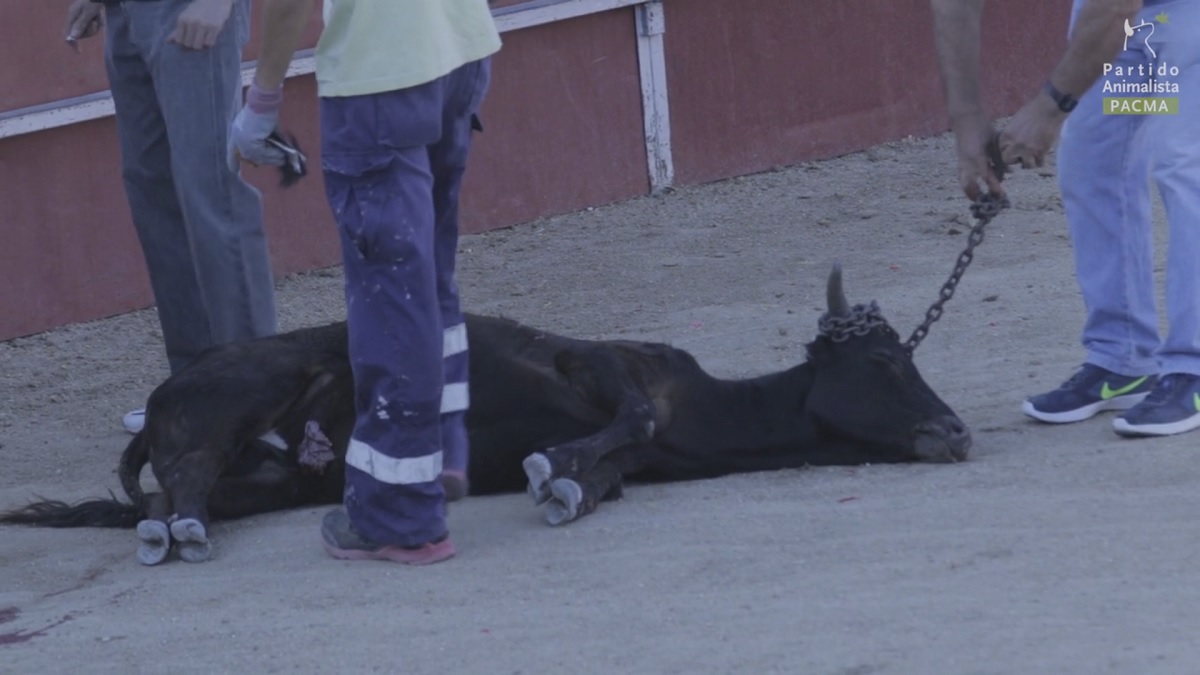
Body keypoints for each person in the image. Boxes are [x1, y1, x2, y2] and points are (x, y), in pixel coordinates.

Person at [230, 0, 500, 565]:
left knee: (392, 303)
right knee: (430, 274)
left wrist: (263, 101)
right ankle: (444, 453)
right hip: (459, 50)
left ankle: (401, 514)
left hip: (379, 80)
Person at [929, 0, 1200, 436]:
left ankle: (1194, 368)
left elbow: (1115, 9)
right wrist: (966, 122)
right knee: (1096, 160)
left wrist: (1048, 109)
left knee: (1185, 164)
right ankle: (1123, 358)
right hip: (1136, 21)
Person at [65, 0, 278, 434]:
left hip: (191, 8)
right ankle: (194, 392)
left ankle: (262, 403)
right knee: (153, 192)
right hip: (127, 12)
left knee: (213, 193)